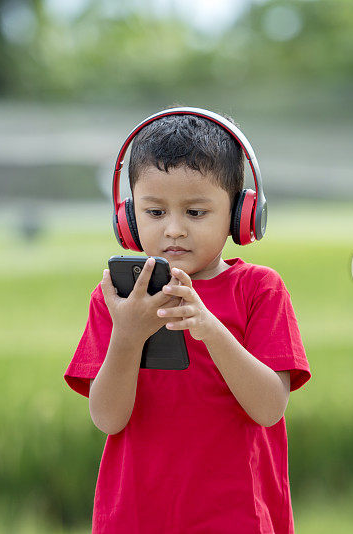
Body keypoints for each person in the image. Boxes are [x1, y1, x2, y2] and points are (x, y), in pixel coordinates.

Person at [63, 109, 311, 533]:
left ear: (241, 215)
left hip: (236, 517)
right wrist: (127, 335)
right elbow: (107, 418)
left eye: (195, 213)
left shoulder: (259, 290)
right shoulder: (115, 301)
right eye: (155, 212)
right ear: (127, 218)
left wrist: (209, 327)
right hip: (135, 518)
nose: (174, 229)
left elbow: (270, 408)